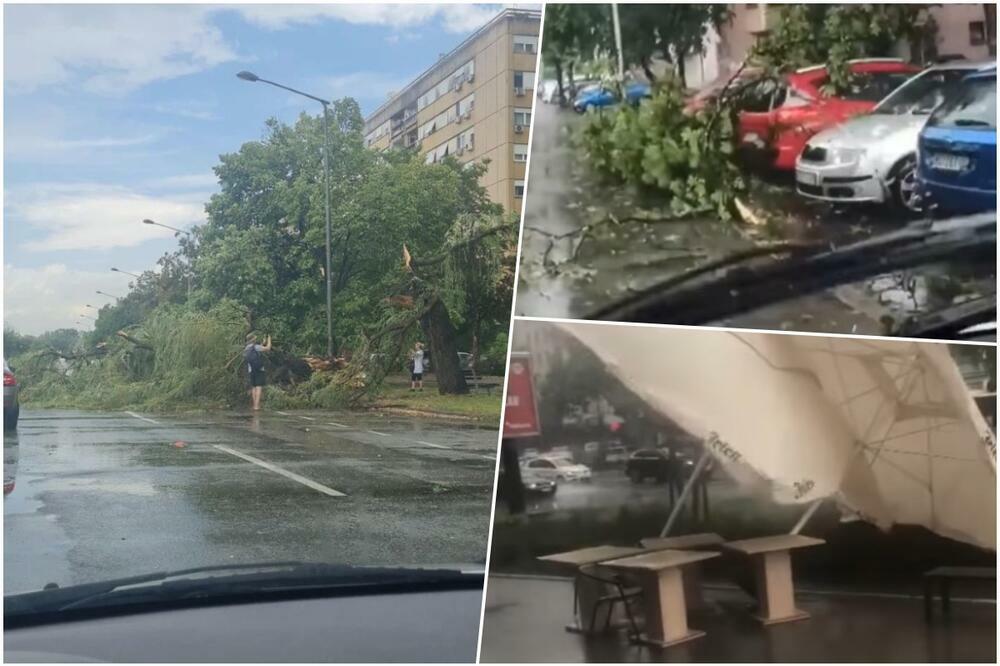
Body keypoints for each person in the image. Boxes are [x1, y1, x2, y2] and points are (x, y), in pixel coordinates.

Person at [244, 333, 272, 411]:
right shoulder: (256, 347)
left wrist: (263, 343)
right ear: (253, 339)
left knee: (253, 387)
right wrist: (269, 340)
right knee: (259, 387)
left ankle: (254, 405)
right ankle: (256, 406)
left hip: (251, 370)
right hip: (259, 369)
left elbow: (257, 350)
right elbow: (268, 348)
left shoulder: (246, 348)